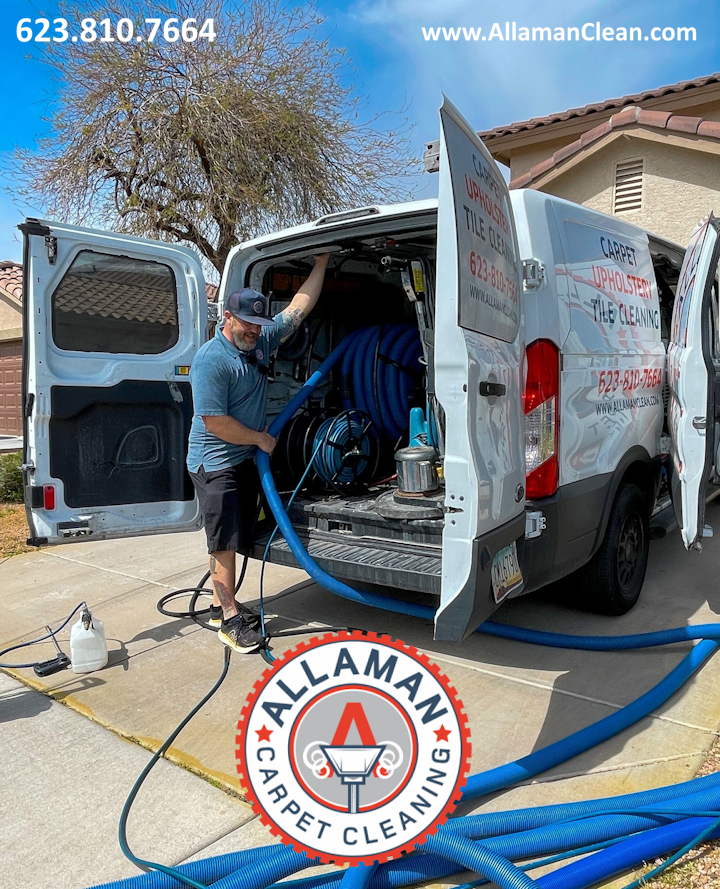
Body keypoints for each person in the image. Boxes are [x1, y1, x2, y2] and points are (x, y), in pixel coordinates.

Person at [187, 254, 332, 653]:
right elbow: (214, 422)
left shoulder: (261, 340)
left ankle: (220, 606)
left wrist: (321, 264)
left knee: (233, 537)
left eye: (259, 324)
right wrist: (259, 439)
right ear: (228, 318)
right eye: (247, 324)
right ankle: (230, 621)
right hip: (215, 462)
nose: (255, 331)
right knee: (223, 542)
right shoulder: (212, 361)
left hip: (242, 456)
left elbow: (299, 309)